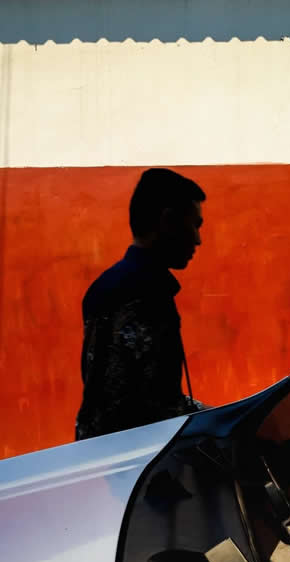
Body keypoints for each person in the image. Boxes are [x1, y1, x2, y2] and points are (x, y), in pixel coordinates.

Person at [76, 168, 207, 440]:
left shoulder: (108, 286)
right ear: (168, 220)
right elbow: (151, 403)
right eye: (194, 225)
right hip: (143, 459)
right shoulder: (145, 294)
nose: (197, 239)